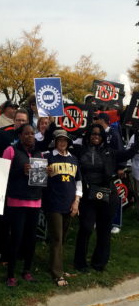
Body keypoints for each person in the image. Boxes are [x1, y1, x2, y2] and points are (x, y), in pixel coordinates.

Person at [74, 123, 138, 273]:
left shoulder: (111, 152)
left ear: (103, 137)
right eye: (93, 134)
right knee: (86, 228)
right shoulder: (79, 151)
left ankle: (99, 263)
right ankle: (80, 262)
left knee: (104, 230)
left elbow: (129, 153)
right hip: (87, 196)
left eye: (99, 134)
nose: (96, 136)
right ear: (89, 135)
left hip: (108, 195)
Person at [1, 124, 44, 287]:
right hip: (17, 201)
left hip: (35, 201)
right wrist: (21, 170)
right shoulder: (10, 151)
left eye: (32, 133)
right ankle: (10, 274)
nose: (30, 136)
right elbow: (2, 173)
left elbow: (40, 179)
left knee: (31, 239)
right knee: (16, 238)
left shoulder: (39, 153)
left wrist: (45, 173)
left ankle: (27, 270)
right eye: (26, 133)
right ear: (20, 135)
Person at [43, 129, 80, 287]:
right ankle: (57, 274)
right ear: (55, 141)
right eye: (59, 140)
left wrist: (76, 201)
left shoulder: (74, 159)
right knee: (57, 238)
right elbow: (36, 177)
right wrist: (44, 172)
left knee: (62, 238)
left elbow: (78, 182)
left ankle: (56, 265)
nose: (62, 143)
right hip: (53, 203)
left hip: (69, 203)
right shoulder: (47, 156)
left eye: (65, 140)